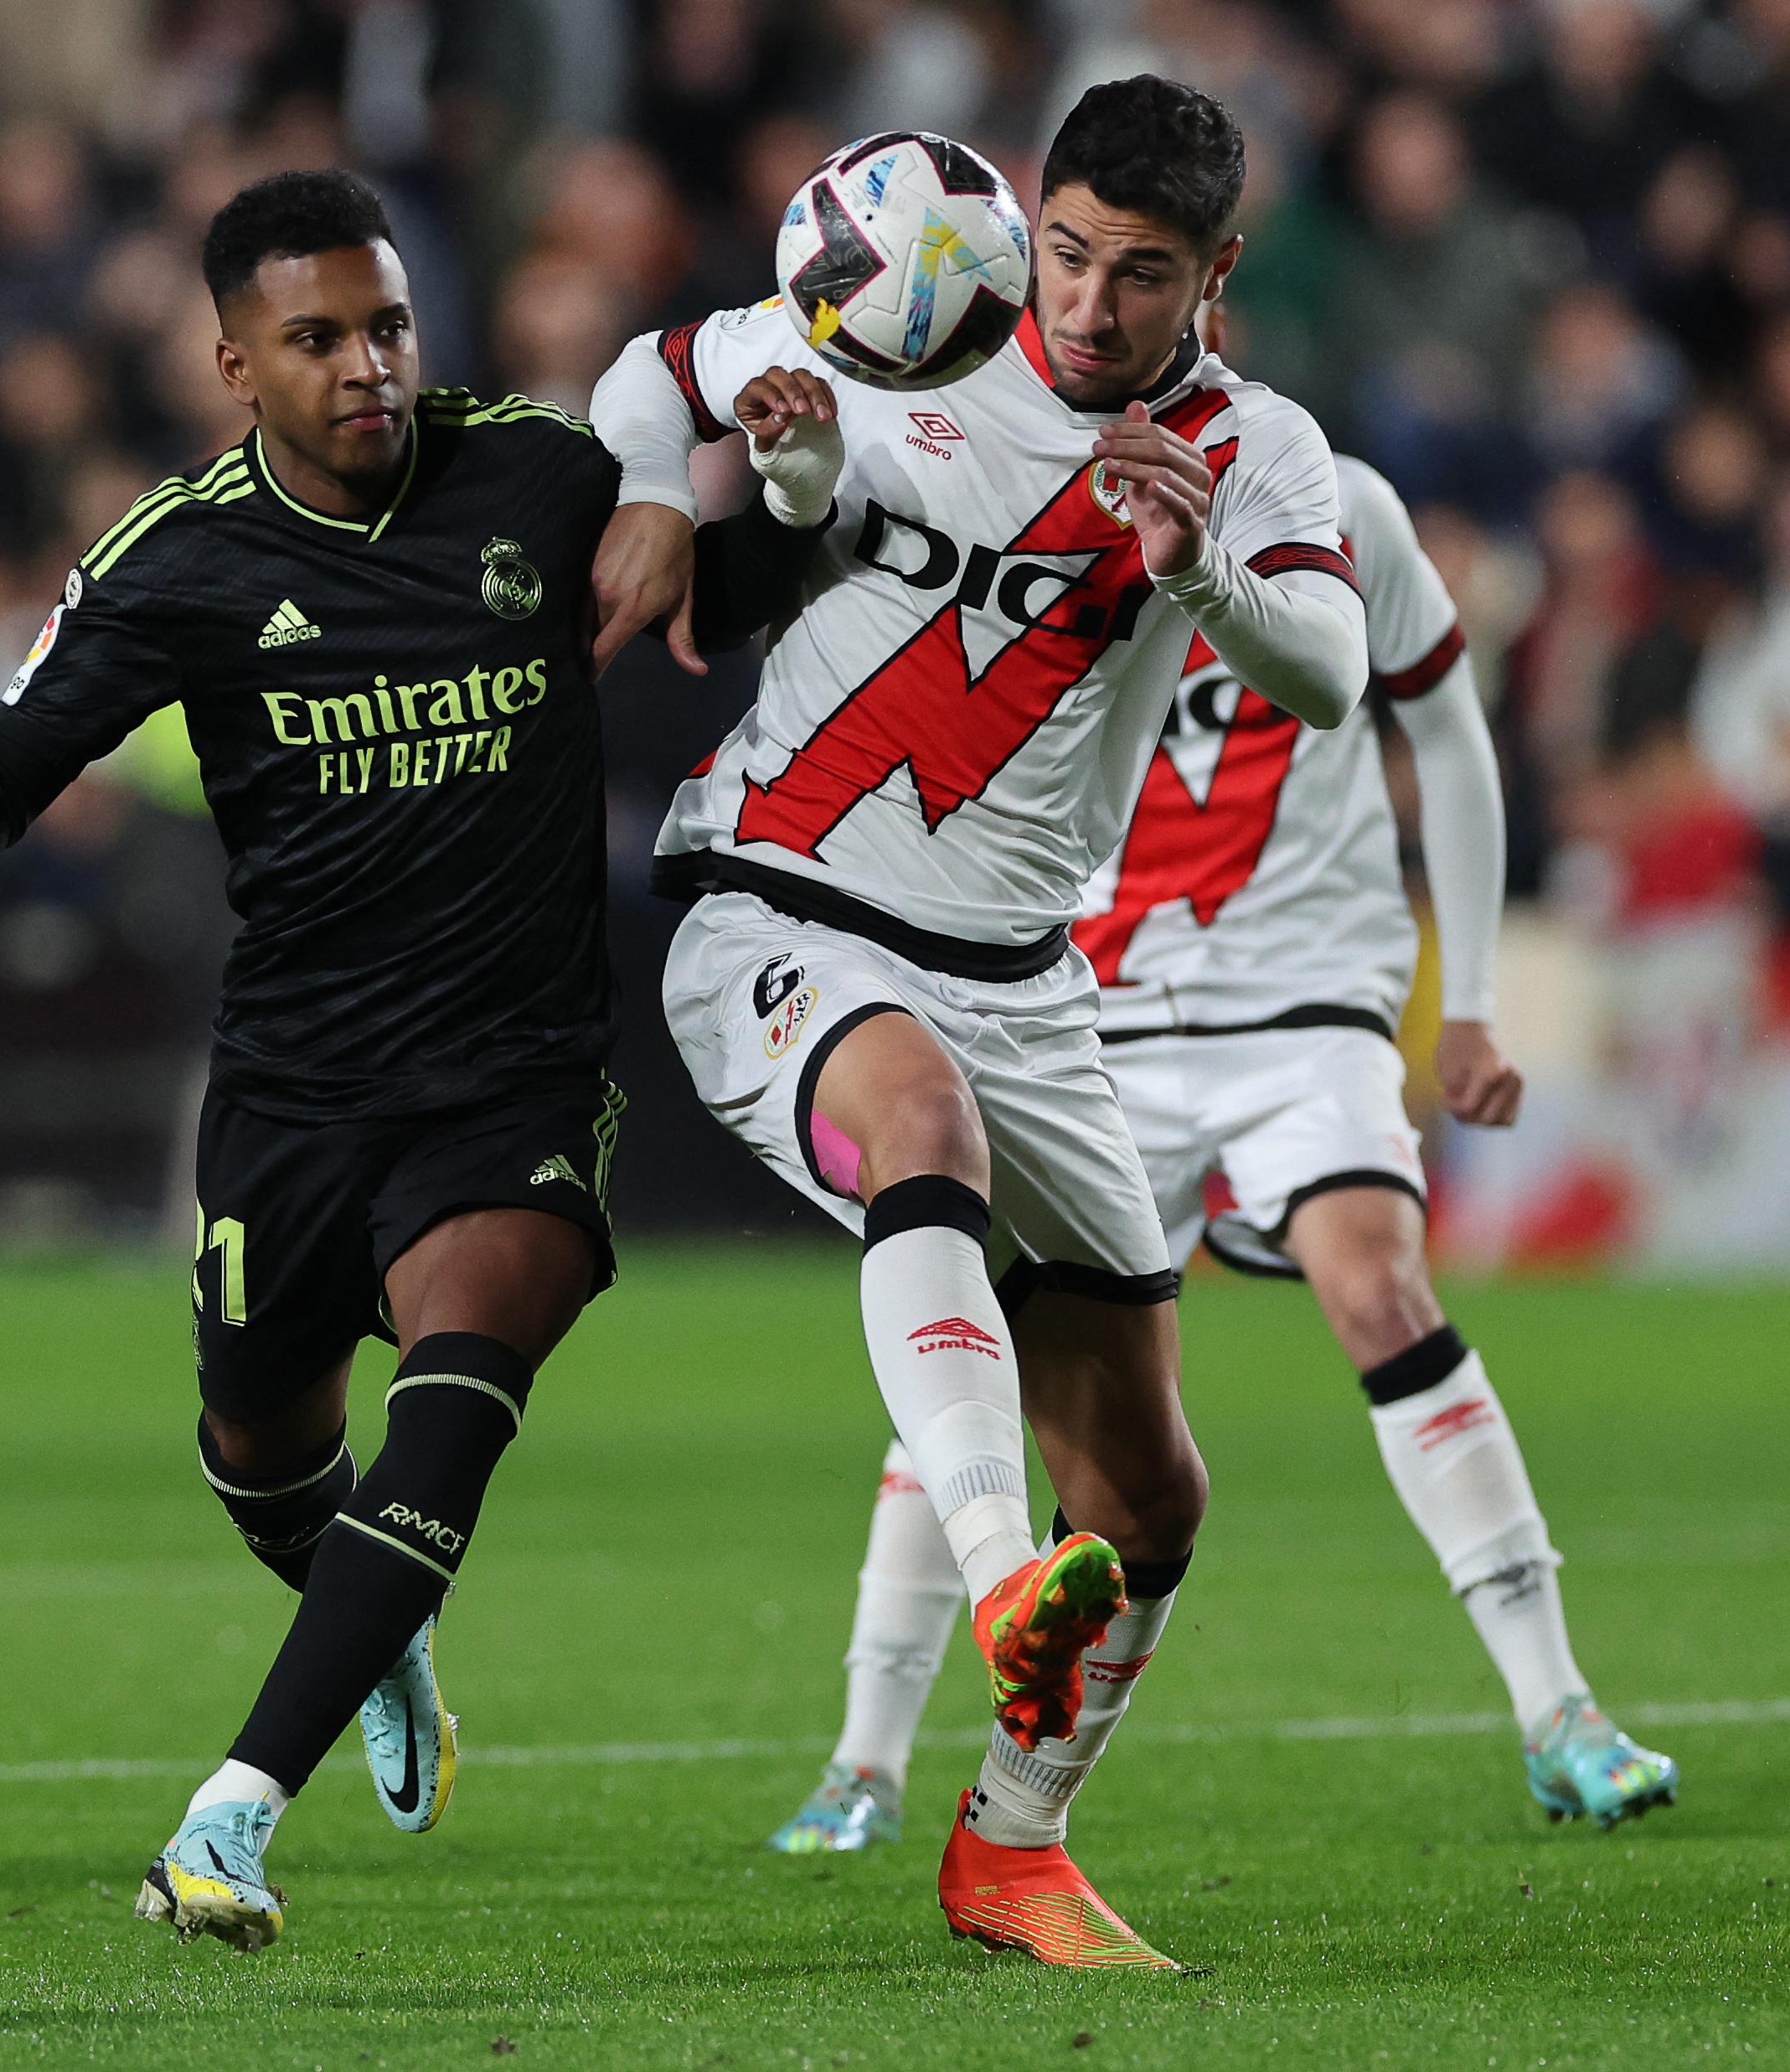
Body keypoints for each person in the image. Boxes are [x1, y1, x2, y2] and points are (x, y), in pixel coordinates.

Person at [0, 168, 820, 1951]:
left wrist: (784, 479)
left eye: (387, 326)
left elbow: (737, 582)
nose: (365, 367)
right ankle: (377, 1636)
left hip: (515, 1077)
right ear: (230, 364)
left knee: (454, 1406)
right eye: (316, 338)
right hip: (293, 1092)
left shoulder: (537, 476)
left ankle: (226, 1819)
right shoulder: (174, 563)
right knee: (260, 1456)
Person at [585, 82, 1370, 1969]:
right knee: (913, 1126)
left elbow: (1329, 674)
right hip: (772, 900)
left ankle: (1010, 1843)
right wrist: (650, 488)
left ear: (1216, 275)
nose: (1091, 308)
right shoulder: (909, 311)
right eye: (1075, 254)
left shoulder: (1248, 447)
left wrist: (1195, 572)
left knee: (1157, 1486)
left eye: (1143, 276)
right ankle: (1000, 1563)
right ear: (1032, 220)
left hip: (1022, 972)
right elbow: (647, 367)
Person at [769, 424, 1679, 1861]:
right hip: (1094, 1017)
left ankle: (1561, 1711)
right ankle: (864, 1762)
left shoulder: (1343, 506)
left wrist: (1479, 998)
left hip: (1299, 1003)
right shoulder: (1027, 504)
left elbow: (1446, 724)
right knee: (979, 1358)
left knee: (1381, 1287)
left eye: (1161, 282)